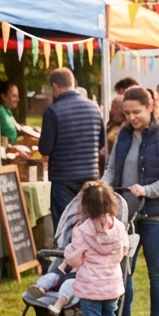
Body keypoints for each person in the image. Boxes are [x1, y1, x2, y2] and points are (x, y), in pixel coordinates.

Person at [103, 85, 159, 316]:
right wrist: (102, 188)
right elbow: (112, 168)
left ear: (149, 107)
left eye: (136, 112)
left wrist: (147, 190)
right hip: (126, 215)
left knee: (157, 272)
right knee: (123, 271)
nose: (131, 118)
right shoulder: (123, 135)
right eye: (126, 113)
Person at [62, 180, 130, 316]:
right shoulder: (118, 226)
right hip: (111, 286)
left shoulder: (82, 229)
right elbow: (124, 250)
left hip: (90, 288)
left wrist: (68, 252)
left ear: (86, 205)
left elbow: (74, 258)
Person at [38, 68, 106, 230]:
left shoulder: (53, 111)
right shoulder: (94, 108)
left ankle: (67, 255)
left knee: (65, 225)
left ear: (55, 86)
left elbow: (45, 148)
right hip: (90, 175)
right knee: (89, 224)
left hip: (64, 177)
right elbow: (101, 145)